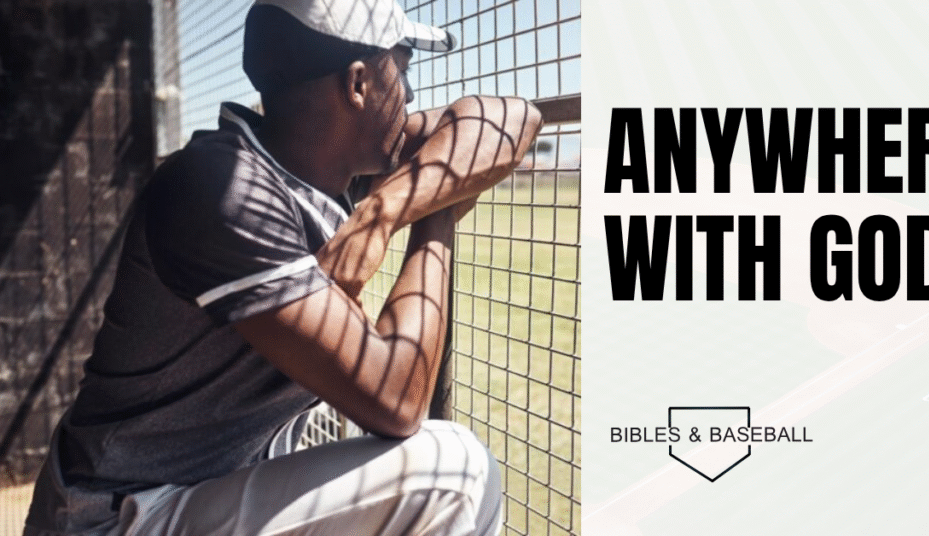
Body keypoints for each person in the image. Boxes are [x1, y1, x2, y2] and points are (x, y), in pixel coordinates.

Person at [23, 0, 542, 534]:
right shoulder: (221, 188)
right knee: (455, 470)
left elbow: (510, 117)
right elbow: (397, 398)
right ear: (359, 84)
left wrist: (385, 213)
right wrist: (441, 207)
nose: (410, 96)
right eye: (404, 71)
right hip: (119, 515)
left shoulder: (321, 171)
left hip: (196, 495)